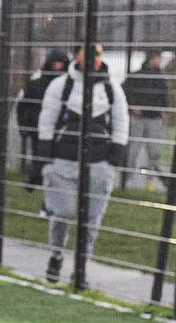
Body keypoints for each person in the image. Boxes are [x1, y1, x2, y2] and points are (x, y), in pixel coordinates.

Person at [33, 42, 129, 290]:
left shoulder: (111, 88)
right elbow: (47, 120)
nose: (94, 58)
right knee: (62, 212)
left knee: (92, 217)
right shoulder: (61, 85)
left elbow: (120, 122)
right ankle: (56, 255)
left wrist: (114, 159)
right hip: (64, 159)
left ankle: (82, 266)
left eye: (98, 53)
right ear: (77, 55)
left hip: (98, 161)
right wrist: (43, 158)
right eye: (89, 52)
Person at [16, 49, 70, 189]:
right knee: (39, 154)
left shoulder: (68, 85)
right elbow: (22, 107)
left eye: (61, 65)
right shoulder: (35, 84)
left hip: (60, 128)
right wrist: (23, 126)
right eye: (55, 64)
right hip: (38, 127)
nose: (58, 68)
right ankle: (37, 177)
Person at [123, 51, 170, 190]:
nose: (160, 61)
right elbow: (126, 92)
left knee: (154, 151)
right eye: (158, 58)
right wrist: (132, 106)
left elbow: (163, 96)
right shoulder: (137, 75)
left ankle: (150, 181)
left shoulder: (160, 77)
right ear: (151, 59)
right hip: (138, 118)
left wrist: (162, 110)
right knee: (133, 149)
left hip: (154, 118)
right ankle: (127, 179)